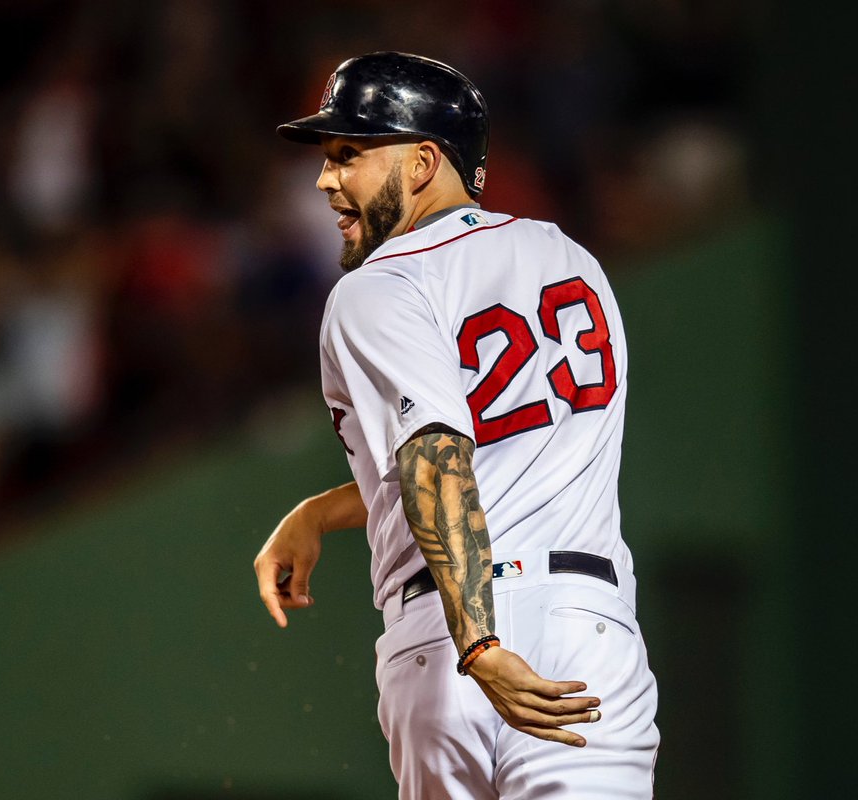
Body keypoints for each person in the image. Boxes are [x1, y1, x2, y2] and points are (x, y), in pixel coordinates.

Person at [253, 52, 659, 799]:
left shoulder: (379, 286)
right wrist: (320, 510)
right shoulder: (566, 256)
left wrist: (478, 644)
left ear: (421, 161)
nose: (325, 180)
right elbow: (496, 454)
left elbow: (438, 456)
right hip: (582, 628)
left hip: (449, 636)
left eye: (349, 154)